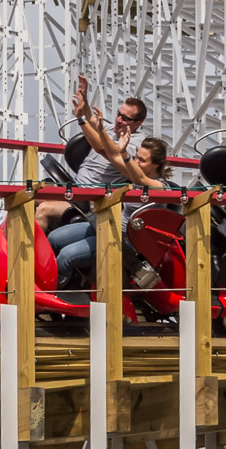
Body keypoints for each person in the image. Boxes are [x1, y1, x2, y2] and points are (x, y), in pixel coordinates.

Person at [46, 89, 171, 290]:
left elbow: (134, 173)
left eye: (142, 160)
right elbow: (113, 156)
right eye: (136, 157)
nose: (137, 161)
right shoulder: (135, 177)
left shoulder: (158, 187)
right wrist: (85, 111)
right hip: (104, 225)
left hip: (122, 240)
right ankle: (53, 281)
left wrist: (124, 152)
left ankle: (55, 294)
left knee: (67, 256)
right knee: (54, 238)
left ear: (156, 165)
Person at [36, 74, 148, 231]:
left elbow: (103, 149)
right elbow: (90, 117)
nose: (118, 120)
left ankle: (30, 256)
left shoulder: (134, 143)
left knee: (43, 210)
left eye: (125, 118)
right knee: (26, 195)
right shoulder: (111, 128)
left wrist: (81, 120)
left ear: (137, 123)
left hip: (90, 199)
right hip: (74, 187)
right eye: (118, 114)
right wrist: (84, 101)